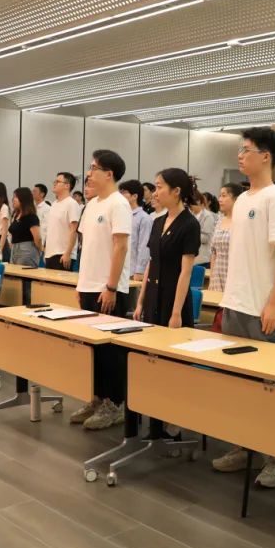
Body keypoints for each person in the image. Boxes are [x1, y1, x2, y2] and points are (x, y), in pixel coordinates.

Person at [211, 127, 275, 489]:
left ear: (266, 156)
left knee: (268, 389)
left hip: (263, 309)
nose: (240, 156)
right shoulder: (244, 198)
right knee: (238, 387)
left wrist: (274, 302)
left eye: (246, 150)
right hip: (235, 304)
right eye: (240, 150)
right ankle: (244, 446)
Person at [69, 150, 132, 431]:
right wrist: (81, 284)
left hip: (108, 289)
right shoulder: (92, 204)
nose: (88, 173)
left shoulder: (119, 204)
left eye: (94, 168)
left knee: (110, 352)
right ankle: (97, 398)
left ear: (109, 174)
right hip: (89, 286)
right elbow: (88, 249)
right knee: (93, 350)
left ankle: (115, 405)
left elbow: (121, 247)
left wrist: (111, 286)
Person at [134, 169, 200, 328]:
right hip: (152, 295)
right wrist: (140, 302)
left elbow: (185, 272)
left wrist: (176, 313)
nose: (155, 193)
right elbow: (151, 263)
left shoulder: (189, 224)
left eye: (159, 187)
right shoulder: (158, 222)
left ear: (176, 191)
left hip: (173, 298)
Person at [208, 183, 243, 293]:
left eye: (224, 196)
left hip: (235, 277)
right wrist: (212, 278)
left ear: (236, 199)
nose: (220, 199)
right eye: (220, 196)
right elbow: (214, 252)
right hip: (217, 276)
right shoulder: (219, 220)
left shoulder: (242, 221)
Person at [44, 172, 80, 270]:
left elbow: (74, 231)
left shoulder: (71, 204)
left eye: (58, 181)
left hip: (63, 255)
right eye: (54, 181)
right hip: (50, 254)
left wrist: (68, 253)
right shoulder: (54, 204)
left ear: (67, 186)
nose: (54, 184)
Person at [119, 180, 153, 281]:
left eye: (124, 192)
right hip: (119, 268)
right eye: (120, 192)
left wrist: (139, 271)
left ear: (134, 196)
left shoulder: (144, 218)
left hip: (132, 271)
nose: (121, 195)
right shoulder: (121, 215)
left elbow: (144, 246)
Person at [8, 187, 43, 267]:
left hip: (27, 250)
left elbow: (38, 238)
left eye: (16, 197)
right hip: (14, 250)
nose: (13, 199)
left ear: (23, 199)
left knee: (23, 274)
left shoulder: (31, 216)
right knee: (13, 274)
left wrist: (40, 251)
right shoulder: (17, 216)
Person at [190, 190, 217, 268]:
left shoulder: (207, 216)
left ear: (198, 201)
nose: (189, 206)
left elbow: (205, 238)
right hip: (192, 259)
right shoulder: (191, 215)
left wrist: (189, 234)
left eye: (191, 203)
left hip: (203, 259)